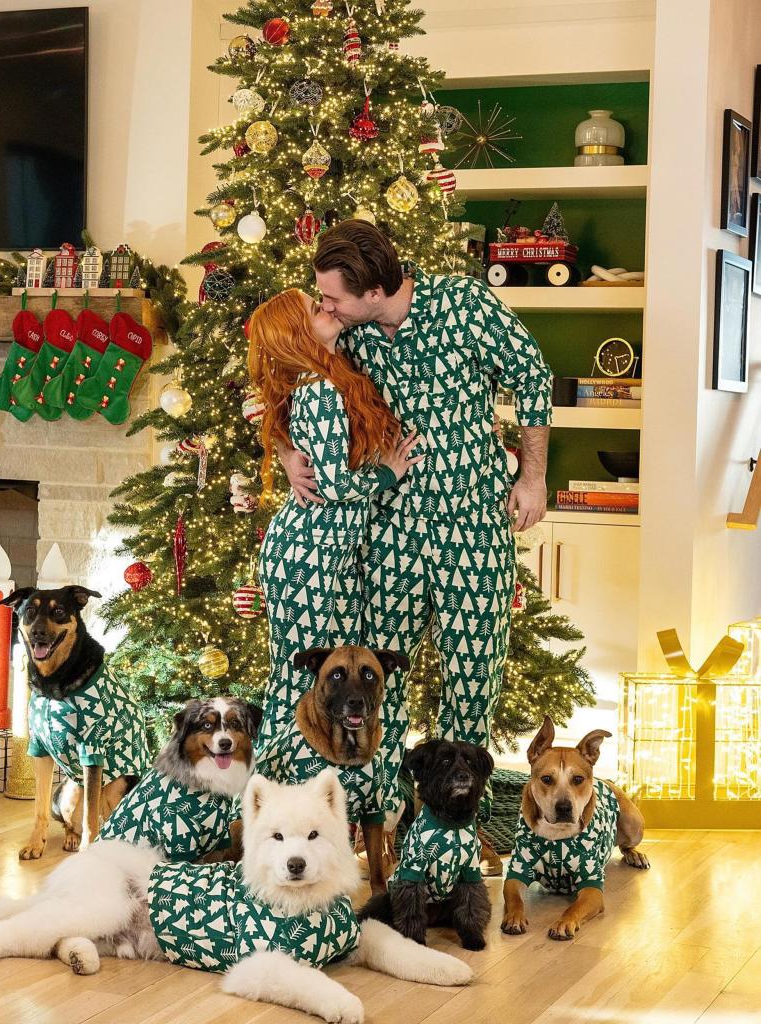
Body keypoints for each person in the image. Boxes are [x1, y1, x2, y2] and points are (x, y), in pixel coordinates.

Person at [277, 222, 553, 873]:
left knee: (471, 684)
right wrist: (288, 452)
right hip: (392, 527)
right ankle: (381, 828)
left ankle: (455, 833)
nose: (326, 308)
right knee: (374, 690)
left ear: (374, 289)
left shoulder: (461, 305)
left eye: (335, 298)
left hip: (473, 527)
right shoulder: (348, 331)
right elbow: (284, 372)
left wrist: (534, 475)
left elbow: (533, 375)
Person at [248, 289, 422, 746]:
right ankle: (270, 797)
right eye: (314, 308)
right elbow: (334, 487)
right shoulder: (319, 389)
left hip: (328, 556)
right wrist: (390, 471)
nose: (326, 306)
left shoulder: (324, 374)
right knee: (296, 683)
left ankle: (321, 793)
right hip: (308, 556)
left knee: (326, 682)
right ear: (297, 332)